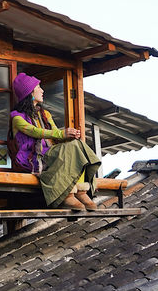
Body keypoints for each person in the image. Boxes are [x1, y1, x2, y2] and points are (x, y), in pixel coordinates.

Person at [10, 73, 101, 211]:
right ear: (30, 93)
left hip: (50, 153)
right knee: (68, 150)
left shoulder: (45, 114)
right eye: (38, 87)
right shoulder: (17, 118)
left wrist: (69, 135)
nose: (42, 90)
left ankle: (81, 191)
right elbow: (35, 131)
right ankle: (66, 194)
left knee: (78, 145)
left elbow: (56, 134)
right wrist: (61, 133)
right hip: (33, 157)